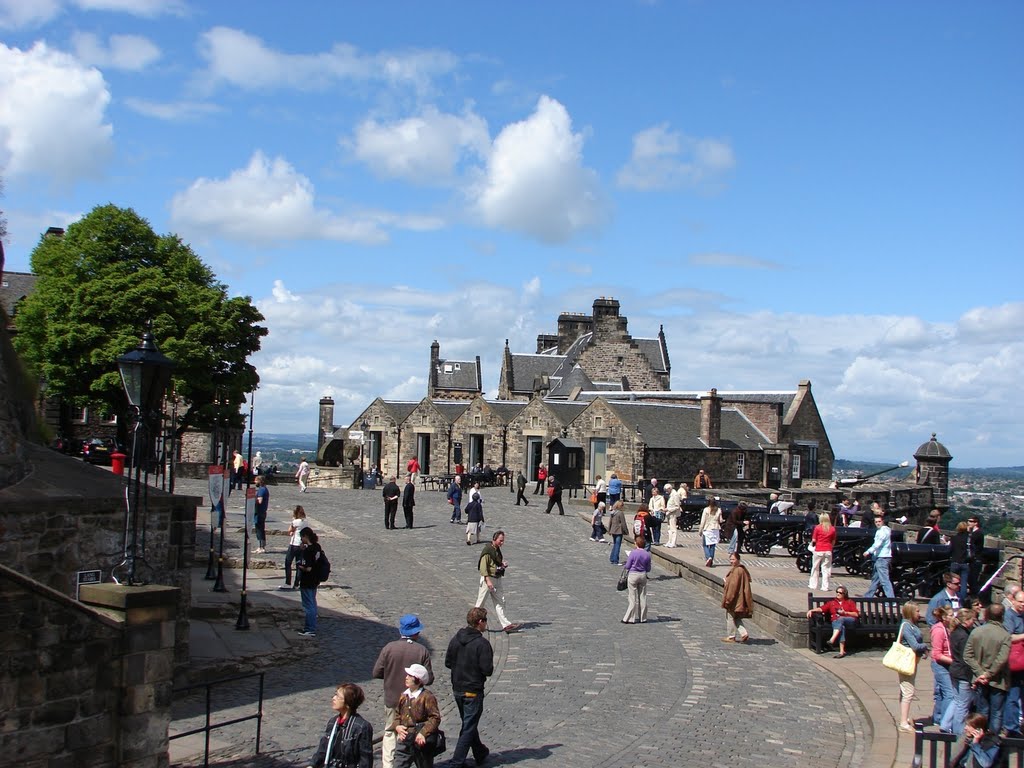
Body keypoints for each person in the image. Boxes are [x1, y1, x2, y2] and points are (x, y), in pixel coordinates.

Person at [373, 614, 434, 768]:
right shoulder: (421, 651)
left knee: (390, 732)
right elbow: (429, 678)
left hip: (392, 699)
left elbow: (377, 672)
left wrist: (391, 675)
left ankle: (388, 765)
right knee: (413, 732)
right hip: (415, 702)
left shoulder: (389, 648)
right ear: (416, 632)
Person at [445, 607, 494, 768]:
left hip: (457, 688)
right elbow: (487, 670)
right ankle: (457, 762)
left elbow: (448, 663)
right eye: (485, 621)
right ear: (480, 622)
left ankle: (480, 752)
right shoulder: (482, 644)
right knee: (468, 727)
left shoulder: (455, 639)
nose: (486, 624)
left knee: (469, 723)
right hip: (473, 690)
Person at [964, 603, 1011, 735]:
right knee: (997, 713)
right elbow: (1002, 659)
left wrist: (980, 673)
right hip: (998, 681)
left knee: (981, 712)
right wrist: (988, 674)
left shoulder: (976, 632)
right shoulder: (1005, 635)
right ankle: (992, 742)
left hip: (980, 680)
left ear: (987, 615)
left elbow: (967, 655)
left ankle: (978, 739)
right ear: (1002, 616)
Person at [306, 683, 374, 768]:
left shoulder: (362, 727)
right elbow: (323, 750)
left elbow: (365, 761)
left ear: (348, 703)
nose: (333, 698)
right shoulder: (333, 722)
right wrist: (312, 765)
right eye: (335, 695)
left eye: (338, 696)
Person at [393, 663, 441, 768]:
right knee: (398, 765)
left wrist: (423, 733)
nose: (406, 677)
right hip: (405, 738)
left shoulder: (427, 697)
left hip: (420, 740)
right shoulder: (404, 695)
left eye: (410, 676)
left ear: (418, 680)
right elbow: (397, 714)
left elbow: (435, 718)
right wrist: (397, 726)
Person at [475, 530, 522, 633]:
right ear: (494, 539)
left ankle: (506, 625)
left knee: (500, 602)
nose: (502, 543)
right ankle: (473, 624)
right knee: (480, 603)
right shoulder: (487, 550)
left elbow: (495, 563)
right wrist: (488, 581)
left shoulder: (497, 550)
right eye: (500, 541)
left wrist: (502, 565)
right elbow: (483, 568)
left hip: (497, 578)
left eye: (503, 541)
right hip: (488, 579)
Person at [893, 601, 928, 732]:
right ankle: (903, 723)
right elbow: (914, 645)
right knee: (908, 691)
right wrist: (925, 646)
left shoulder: (912, 625)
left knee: (905, 690)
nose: (919, 613)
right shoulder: (906, 626)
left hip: (913, 661)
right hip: (906, 661)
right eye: (917, 611)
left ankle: (904, 716)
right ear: (910, 612)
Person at [946, 607, 978, 736]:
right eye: (972, 619)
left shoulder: (954, 632)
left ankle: (945, 724)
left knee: (957, 700)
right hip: (963, 673)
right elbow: (966, 658)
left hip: (954, 669)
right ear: (966, 620)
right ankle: (958, 733)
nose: (974, 621)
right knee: (963, 705)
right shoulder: (964, 636)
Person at [806, 585, 859, 658]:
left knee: (841, 619)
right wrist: (812, 610)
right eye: (837, 592)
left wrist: (845, 613)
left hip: (849, 620)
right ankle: (842, 651)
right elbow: (822, 609)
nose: (838, 594)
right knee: (841, 627)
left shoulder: (849, 602)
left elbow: (856, 614)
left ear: (844, 594)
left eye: (840, 593)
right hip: (836, 622)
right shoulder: (832, 602)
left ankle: (832, 639)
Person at [930, 606, 956, 731]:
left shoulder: (948, 628)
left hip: (947, 663)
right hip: (940, 665)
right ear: (944, 617)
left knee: (941, 692)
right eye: (951, 615)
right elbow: (937, 654)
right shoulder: (938, 631)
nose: (953, 617)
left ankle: (938, 718)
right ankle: (946, 721)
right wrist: (954, 662)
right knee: (949, 694)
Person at [1003, 589, 1024, 738]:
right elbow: (1008, 637)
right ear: (1013, 601)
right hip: (1014, 663)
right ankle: (1011, 727)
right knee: (1013, 695)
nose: (1023, 604)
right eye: (1021, 602)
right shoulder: (1009, 616)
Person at [297, 527, 323, 637]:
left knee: (308, 605)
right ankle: (311, 626)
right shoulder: (317, 547)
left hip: (307, 580)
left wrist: (300, 565)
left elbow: (307, 568)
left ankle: (309, 629)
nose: (301, 539)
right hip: (315, 579)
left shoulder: (308, 551)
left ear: (305, 536)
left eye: (301, 537)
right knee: (313, 602)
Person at [722, 551, 753, 643]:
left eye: (733, 559)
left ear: (738, 560)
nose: (731, 561)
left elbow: (733, 587)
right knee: (736, 617)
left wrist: (728, 599)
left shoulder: (737, 571)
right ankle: (744, 633)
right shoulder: (741, 570)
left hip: (735, 599)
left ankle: (731, 636)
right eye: (730, 559)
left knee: (730, 616)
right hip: (739, 598)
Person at [862, 513, 895, 598]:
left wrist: (868, 551)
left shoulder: (882, 532)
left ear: (882, 521)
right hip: (881, 557)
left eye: (879, 521)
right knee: (876, 579)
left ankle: (891, 600)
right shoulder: (885, 530)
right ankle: (868, 596)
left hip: (882, 557)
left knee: (884, 580)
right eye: (876, 522)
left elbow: (877, 544)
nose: (877, 523)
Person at [621, 535, 652, 624]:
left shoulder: (633, 553)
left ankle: (630, 618)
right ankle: (643, 618)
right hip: (642, 575)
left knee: (632, 598)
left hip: (633, 575)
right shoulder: (647, 554)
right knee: (642, 597)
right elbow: (648, 568)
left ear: (636, 544)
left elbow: (628, 566)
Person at [280, 505, 308, 590]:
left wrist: (293, 522)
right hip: (302, 545)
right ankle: (296, 584)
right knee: (299, 564)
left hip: (294, 544)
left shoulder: (295, 521)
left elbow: (289, 530)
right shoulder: (305, 522)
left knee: (288, 562)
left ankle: (288, 583)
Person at [808, 513, 837, 591]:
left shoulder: (817, 528)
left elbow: (814, 540)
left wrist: (812, 546)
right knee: (826, 569)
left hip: (818, 549)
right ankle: (825, 586)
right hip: (828, 550)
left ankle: (813, 585)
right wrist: (830, 547)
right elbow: (833, 541)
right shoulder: (832, 529)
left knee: (815, 568)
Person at [950, 522, 972, 604]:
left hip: (955, 562)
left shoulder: (954, 538)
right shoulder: (968, 539)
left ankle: (952, 598)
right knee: (963, 583)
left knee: (952, 582)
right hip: (965, 563)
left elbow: (950, 550)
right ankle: (961, 601)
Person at [698, 497, 723, 567]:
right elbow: (720, 520)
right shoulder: (719, 510)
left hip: (708, 529)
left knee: (705, 545)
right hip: (715, 529)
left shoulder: (706, 510)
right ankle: (711, 558)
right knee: (712, 545)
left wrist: (700, 530)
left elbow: (703, 521)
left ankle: (708, 557)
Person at [607, 500, 629, 565]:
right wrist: (626, 531)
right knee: (617, 545)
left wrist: (609, 530)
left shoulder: (613, 512)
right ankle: (615, 560)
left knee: (615, 544)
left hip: (613, 530)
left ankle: (612, 558)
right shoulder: (620, 513)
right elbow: (623, 523)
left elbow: (610, 522)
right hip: (619, 531)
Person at [252, 476, 269, 554]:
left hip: (259, 512)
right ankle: (261, 546)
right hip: (261, 512)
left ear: (260, 481)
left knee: (259, 529)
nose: (255, 482)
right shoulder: (263, 489)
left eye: (256, 480)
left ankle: (261, 547)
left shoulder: (262, 490)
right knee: (260, 529)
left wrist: (252, 499)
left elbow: (260, 501)